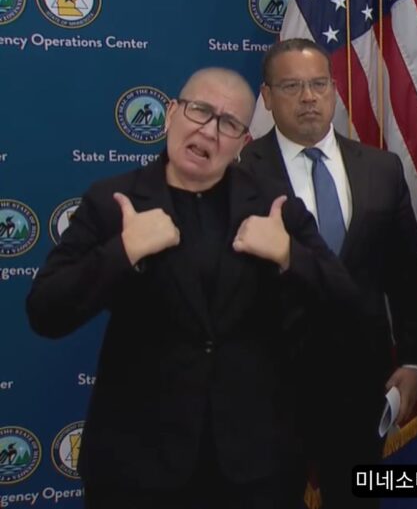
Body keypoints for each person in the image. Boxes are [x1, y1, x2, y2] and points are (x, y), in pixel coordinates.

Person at [26, 67, 364, 509]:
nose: (208, 131)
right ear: (171, 113)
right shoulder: (113, 201)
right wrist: (122, 252)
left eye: (228, 123)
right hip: (137, 468)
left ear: (243, 142)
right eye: (199, 111)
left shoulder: (273, 206)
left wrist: (289, 255)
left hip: (256, 469)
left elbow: (347, 304)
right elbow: (45, 311)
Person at [240, 38, 417, 509]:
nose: (309, 97)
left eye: (319, 84)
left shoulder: (381, 169)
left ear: (334, 90)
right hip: (266, 385)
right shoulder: (240, 173)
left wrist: (412, 360)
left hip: (361, 383)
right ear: (267, 97)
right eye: (292, 86)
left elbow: (405, 274)